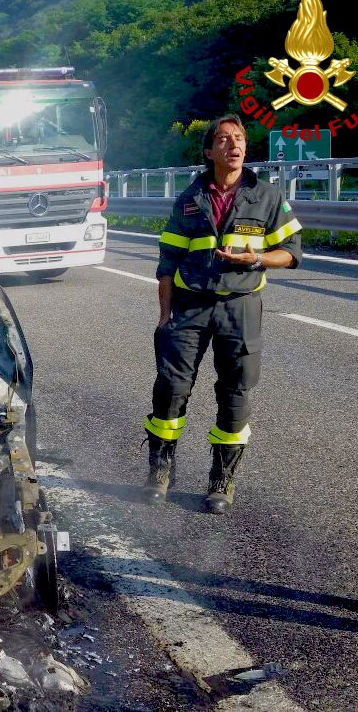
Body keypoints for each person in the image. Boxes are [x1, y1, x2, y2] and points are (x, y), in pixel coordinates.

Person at [142, 114, 302, 514]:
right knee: (170, 389)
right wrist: (165, 316)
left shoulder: (266, 196)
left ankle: (221, 479)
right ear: (209, 150)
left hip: (240, 307)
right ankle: (161, 468)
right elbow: (167, 262)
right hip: (190, 305)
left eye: (240, 139)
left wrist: (259, 257)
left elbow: (292, 253)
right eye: (224, 139)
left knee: (235, 393)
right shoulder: (189, 199)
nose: (234, 145)